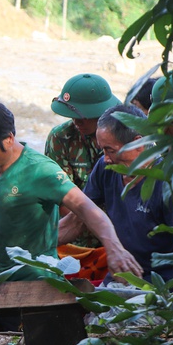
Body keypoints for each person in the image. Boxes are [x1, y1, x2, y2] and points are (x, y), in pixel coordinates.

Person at [0, 99, 142, 284]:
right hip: (3, 276)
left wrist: (114, 248)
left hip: (40, 279)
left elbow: (86, 208)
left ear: (8, 139)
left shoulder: (41, 171)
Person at [58, 105, 173, 283]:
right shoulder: (106, 168)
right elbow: (77, 220)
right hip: (120, 276)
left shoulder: (170, 183)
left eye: (110, 150)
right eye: (102, 150)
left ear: (138, 144)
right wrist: (37, 244)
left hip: (163, 284)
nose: (105, 158)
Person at [45, 73, 121, 248]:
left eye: (83, 116)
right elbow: (60, 195)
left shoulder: (124, 138)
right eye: (72, 115)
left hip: (120, 235)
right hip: (75, 235)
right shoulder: (61, 137)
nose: (76, 121)